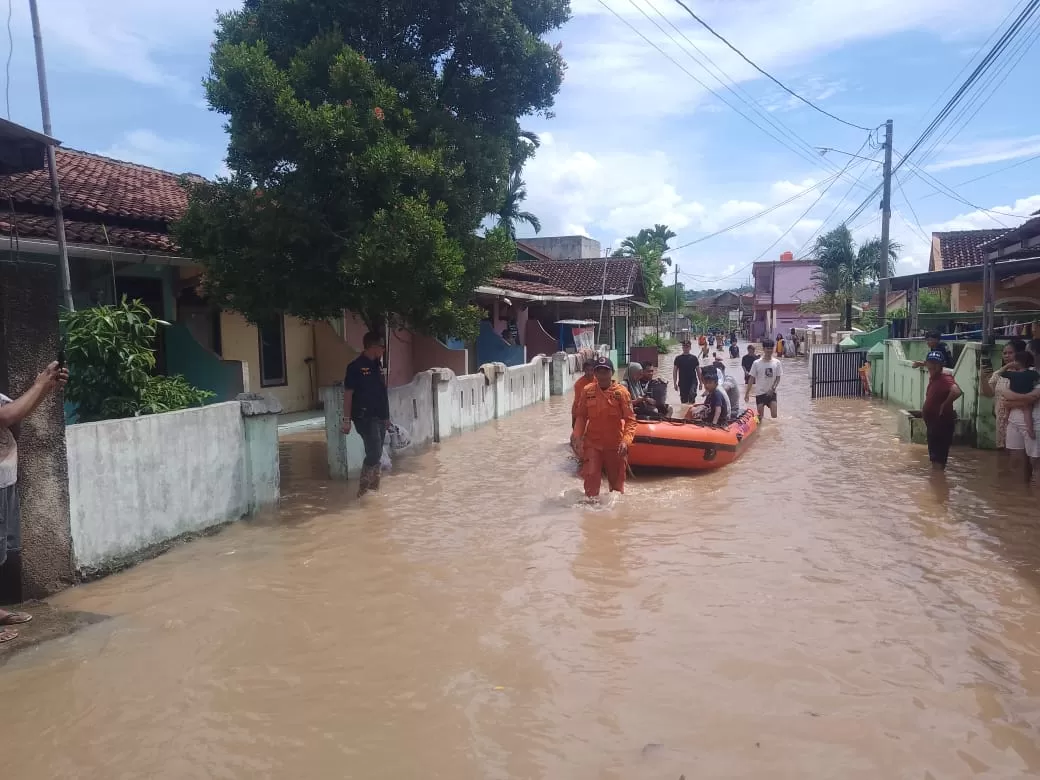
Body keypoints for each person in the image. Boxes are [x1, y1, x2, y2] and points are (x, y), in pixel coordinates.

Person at [0, 360, 68, 644]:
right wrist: (40, 384)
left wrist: (46, 386)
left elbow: (17, 411)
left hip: (4, 479)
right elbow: (6, 417)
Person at [571, 357, 637, 498]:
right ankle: (591, 512)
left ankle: (615, 516)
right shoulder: (587, 391)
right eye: (598, 371)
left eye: (605, 371)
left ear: (612, 373)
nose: (602, 375)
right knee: (591, 478)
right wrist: (577, 436)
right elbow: (581, 416)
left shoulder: (621, 393)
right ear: (595, 373)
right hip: (593, 444)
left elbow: (630, 420)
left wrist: (626, 441)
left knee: (616, 486)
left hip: (615, 445)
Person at [342, 332, 391, 497]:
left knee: (377, 453)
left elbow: (382, 393)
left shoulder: (377, 365)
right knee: (375, 452)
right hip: (364, 417)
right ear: (372, 347)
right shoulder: (355, 367)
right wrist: (346, 420)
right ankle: (362, 490)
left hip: (379, 416)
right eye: (382, 347)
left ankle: (374, 490)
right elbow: (348, 394)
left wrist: (386, 417)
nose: (384, 350)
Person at [995, 351, 1040, 478]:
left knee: (1033, 462)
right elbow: (1008, 396)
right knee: (1026, 412)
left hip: (1018, 411)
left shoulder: (1012, 375)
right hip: (1021, 413)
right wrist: (1024, 400)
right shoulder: (1033, 374)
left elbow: (1007, 395)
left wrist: (1007, 366)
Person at [921, 349, 962, 471]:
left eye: (936, 364)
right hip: (934, 423)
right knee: (935, 457)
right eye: (930, 363)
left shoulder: (944, 378)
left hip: (941, 423)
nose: (932, 366)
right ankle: (938, 482)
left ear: (941, 365)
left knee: (938, 457)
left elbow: (957, 391)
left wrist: (945, 404)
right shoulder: (934, 378)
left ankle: (937, 480)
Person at [745, 337, 783, 420]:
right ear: (763, 349)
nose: (769, 350)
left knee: (774, 416)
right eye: (767, 348)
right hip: (760, 393)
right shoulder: (756, 363)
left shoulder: (777, 363)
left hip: (772, 393)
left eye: (771, 348)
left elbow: (778, 378)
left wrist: (772, 389)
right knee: (760, 418)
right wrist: (747, 393)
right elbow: (751, 378)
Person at [572, 358, 596, 429]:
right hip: (579, 412)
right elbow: (578, 403)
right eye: (587, 370)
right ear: (584, 370)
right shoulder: (578, 384)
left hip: (595, 412)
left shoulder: (599, 381)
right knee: (577, 436)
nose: (589, 373)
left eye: (592, 370)